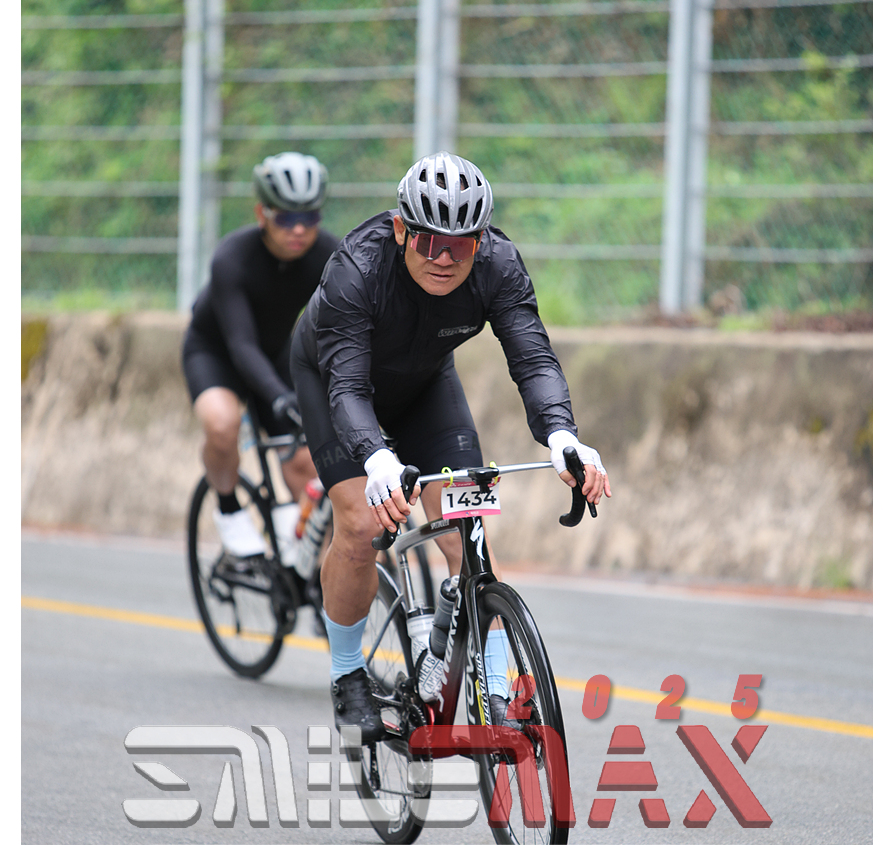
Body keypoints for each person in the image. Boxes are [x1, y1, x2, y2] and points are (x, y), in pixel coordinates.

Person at [291, 151, 610, 742]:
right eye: (430, 242)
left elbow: (533, 358)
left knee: (468, 532)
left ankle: (491, 686)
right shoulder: (355, 270)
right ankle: (346, 673)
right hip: (335, 383)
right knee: (361, 523)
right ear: (400, 230)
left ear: (480, 241)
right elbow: (349, 389)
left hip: (424, 386)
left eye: (461, 245)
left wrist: (563, 435)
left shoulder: (499, 266)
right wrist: (377, 458)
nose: (444, 258)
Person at [182, 152, 337, 559]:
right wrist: (280, 396)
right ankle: (229, 510)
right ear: (261, 214)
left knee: (303, 464)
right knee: (222, 425)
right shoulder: (232, 257)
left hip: (275, 355)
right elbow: (241, 346)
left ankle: (306, 560)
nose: (299, 229)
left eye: (310, 217)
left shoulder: (327, 254)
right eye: (285, 218)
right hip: (216, 354)